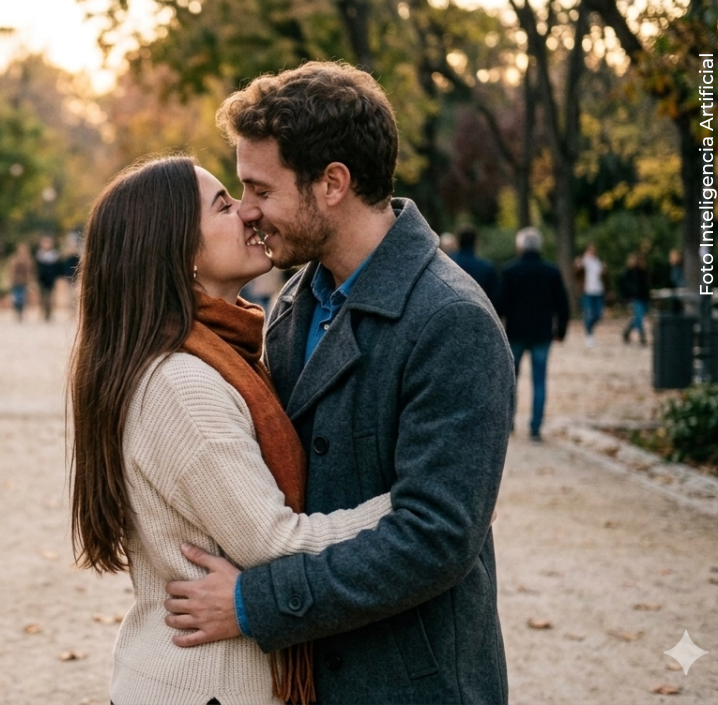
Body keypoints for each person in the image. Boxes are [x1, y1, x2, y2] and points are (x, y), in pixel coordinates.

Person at [161, 62, 515, 704]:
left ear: (332, 184)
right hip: (313, 678)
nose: (246, 211)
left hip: (411, 683)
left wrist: (253, 602)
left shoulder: (451, 319)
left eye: (259, 190)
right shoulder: (296, 300)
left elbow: (436, 537)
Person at [71, 155, 392, 704]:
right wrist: (412, 508)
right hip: (206, 685)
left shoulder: (222, 354)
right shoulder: (183, 384)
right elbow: (275, 544)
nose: (247, 213)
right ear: (177, 250)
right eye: (223, 205)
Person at [498, 227, 570, 441]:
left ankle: (509, 422)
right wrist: (561, 331)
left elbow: (500, 303)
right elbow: (562, 305)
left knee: (511, 380)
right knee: (539, 380)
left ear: (520, 246)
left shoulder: (510, 271)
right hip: (542, 333)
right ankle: (535, 426)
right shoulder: (552, 271)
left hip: (515, 333)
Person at [449, 225, 500, 306]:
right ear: (476, 242)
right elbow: (495, 298)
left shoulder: (450, 264)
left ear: (457, 242)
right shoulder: (487, 267)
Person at [574, 242, 606, 348]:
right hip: (587, 291)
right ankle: (589, 335)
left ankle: (589, 329)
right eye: (590, 250)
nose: (592, 252)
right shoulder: (582, 262)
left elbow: (605, 277)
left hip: (598, 291)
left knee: (598, 314)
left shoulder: (598, 262)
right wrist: (577, 266)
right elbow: (575, 273)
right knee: (589, 314)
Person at [619, 252, 650, 346]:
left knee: (638, 317)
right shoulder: (628, 273)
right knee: (639, 317)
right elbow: (624, 286)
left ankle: (627, 331)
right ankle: (642, 335)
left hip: (644, 297)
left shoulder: (644, 273)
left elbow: (647, 285)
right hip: (634, 297)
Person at [35, 235, 64, 322]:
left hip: (51, 279)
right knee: (43, 297)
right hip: (42, 279)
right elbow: (36, 268)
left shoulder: (55, 255)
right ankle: (43, 313)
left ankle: (49, 314)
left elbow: (58, 268)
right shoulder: (39, 255)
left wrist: (57, 277)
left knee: (50, 297)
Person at [8, 241, 35, 322]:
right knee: (16, 298)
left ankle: (21, 313)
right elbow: (11, 270)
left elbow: (31, 271)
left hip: (24, 282)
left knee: (23, 298)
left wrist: (31, 280)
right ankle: (17, 312)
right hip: (16, 281)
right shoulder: (14, 258)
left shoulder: (29, 259)